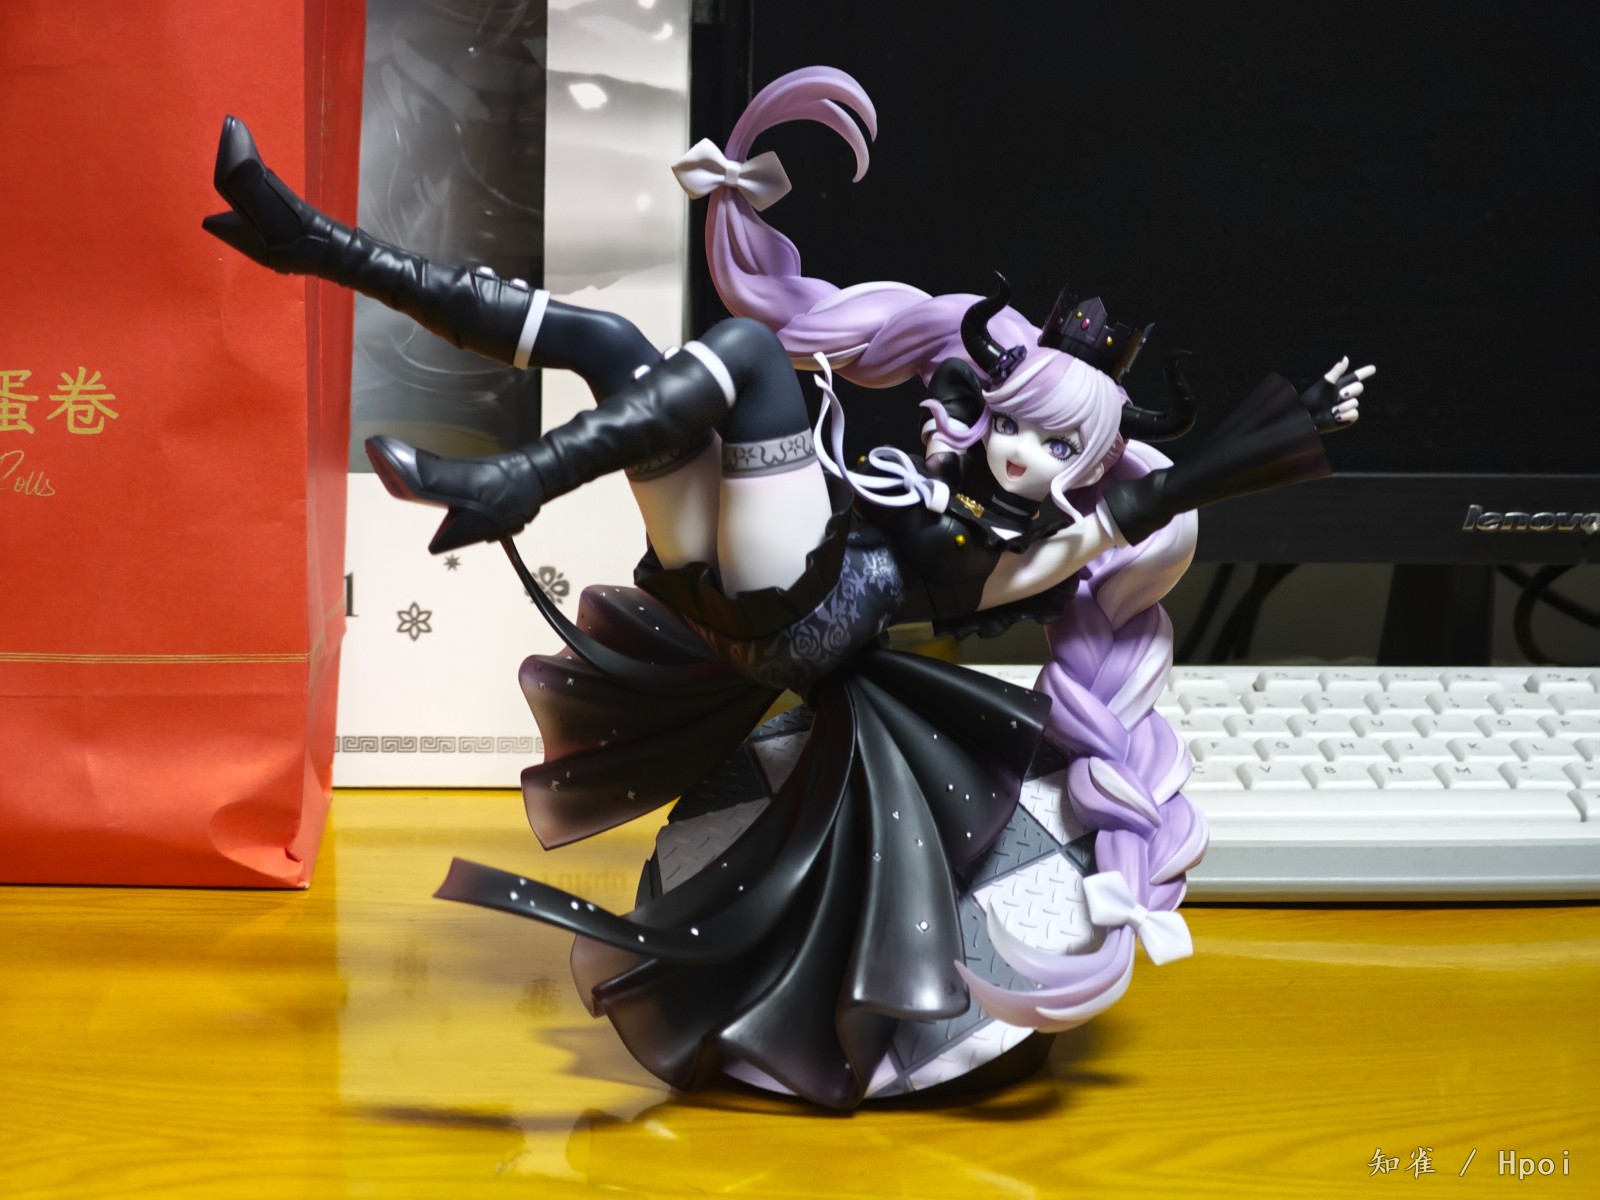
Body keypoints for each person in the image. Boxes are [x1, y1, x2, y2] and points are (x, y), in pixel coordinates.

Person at [203, 66, 1370, 1107]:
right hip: (724, 605)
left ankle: (514, 481)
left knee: (751, 356)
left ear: (1085, 464)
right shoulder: (936, 473)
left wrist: (1283, 434)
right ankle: (323, 248)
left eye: (1053, 445)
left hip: (802, 617)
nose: (1018, 453)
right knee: (609, 342)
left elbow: (1159, 499)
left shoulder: (1042, 547)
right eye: (1012, 421)